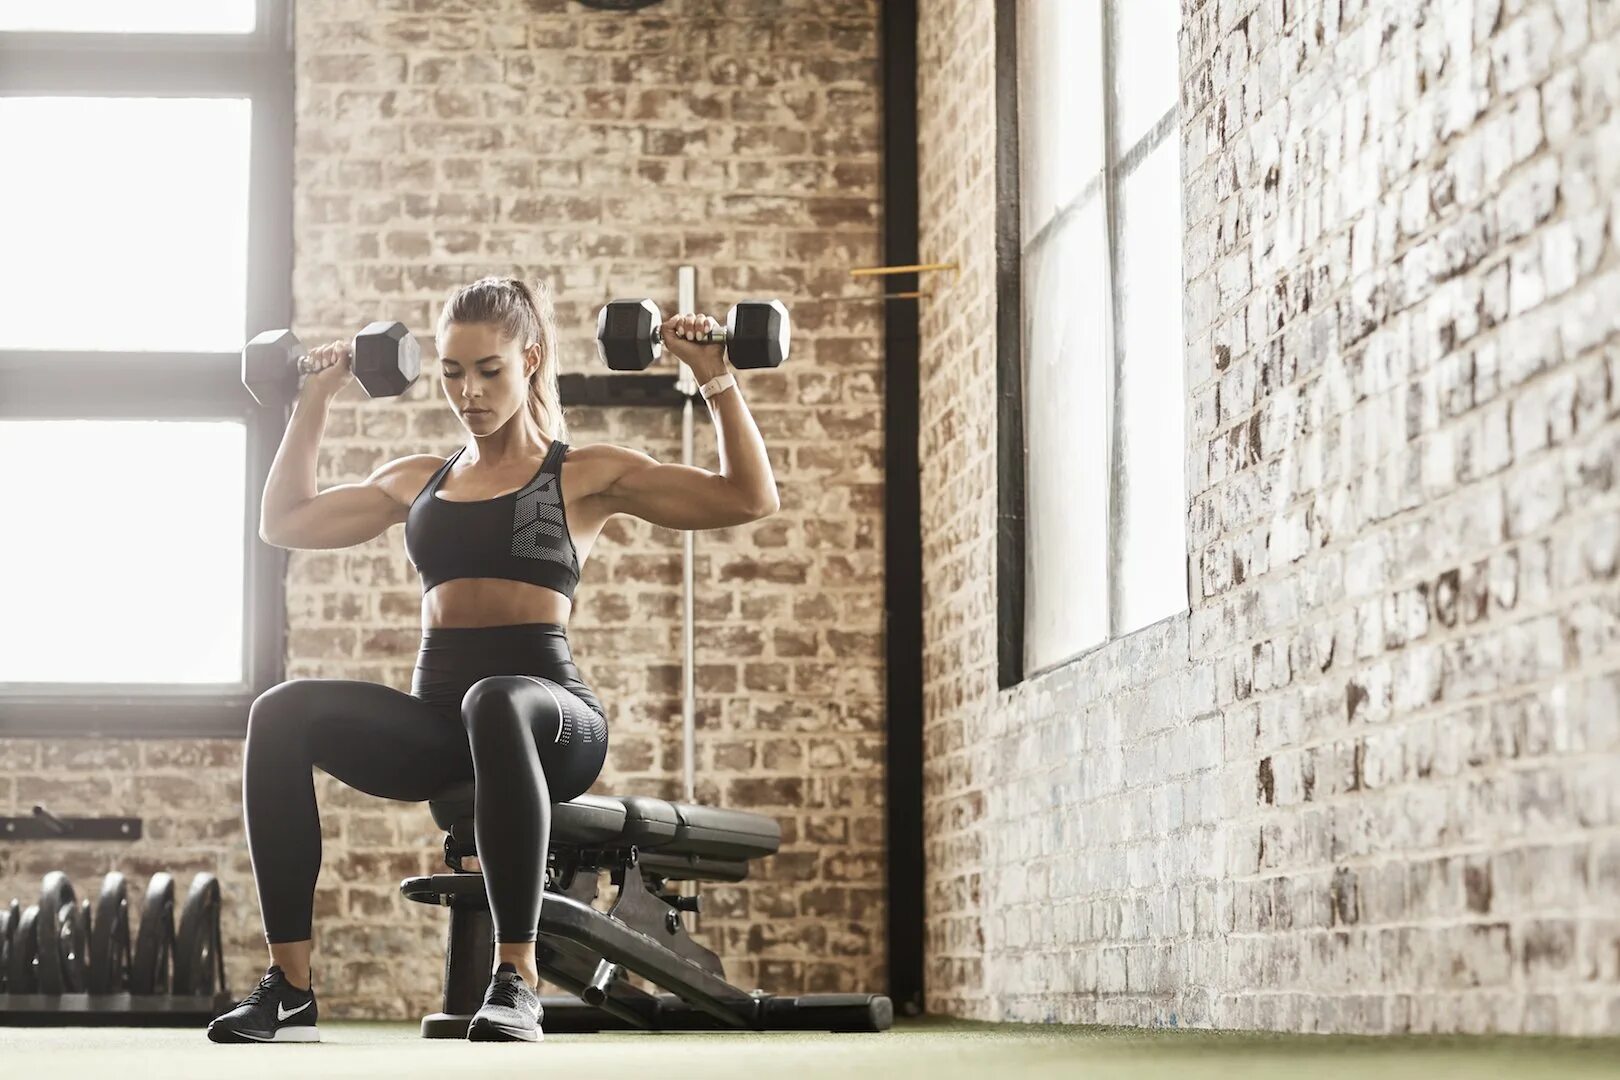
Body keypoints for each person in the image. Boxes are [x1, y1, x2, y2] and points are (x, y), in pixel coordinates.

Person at [206, 277, 779, 1044]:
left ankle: (517, 978)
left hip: (551, 720)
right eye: (451, 372)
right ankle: (292, 988)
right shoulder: (419, 480)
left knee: (497, 699)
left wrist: (715, 377)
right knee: (280, 712)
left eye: (488, 370)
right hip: (443, 725)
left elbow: (749, 496)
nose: (467, 393)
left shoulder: (581, 473)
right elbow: (284, 522)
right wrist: (315, 397)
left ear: (529, 361)